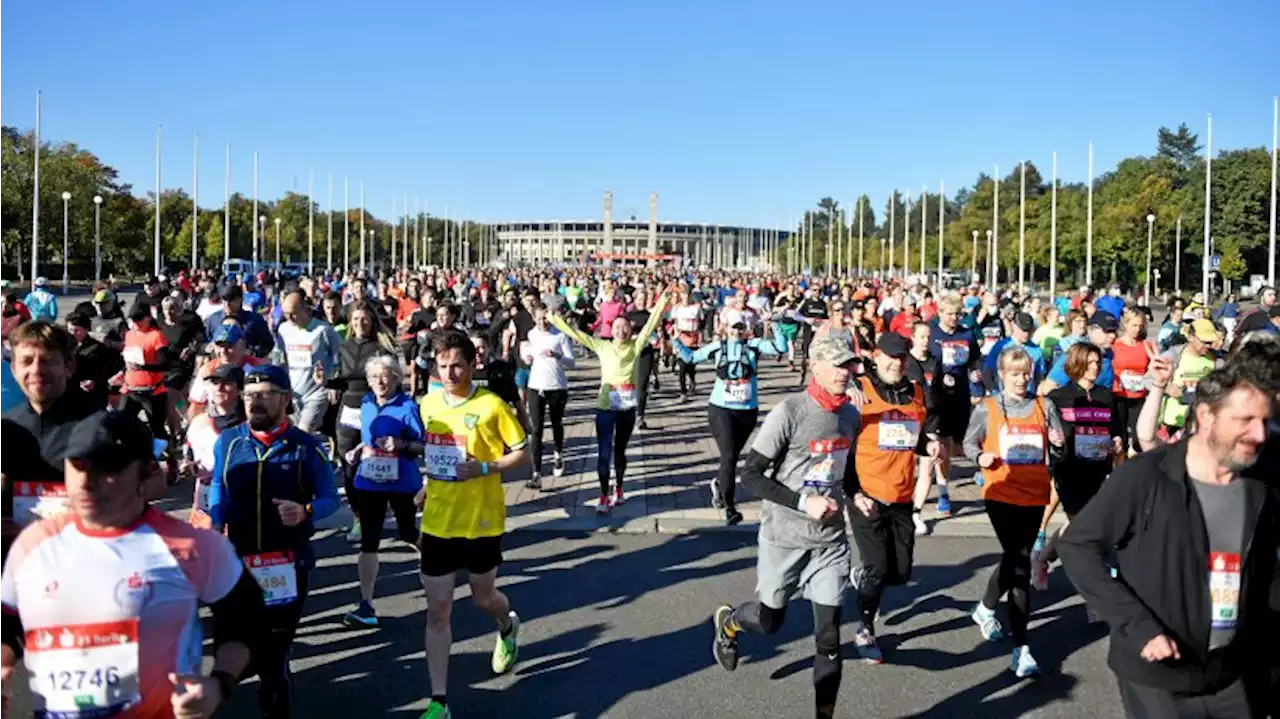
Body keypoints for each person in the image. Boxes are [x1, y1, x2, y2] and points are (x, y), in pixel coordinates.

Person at [0, 411, 268, 719]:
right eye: (78, 465)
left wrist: (219, 683)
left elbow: (249, 625)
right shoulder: (33, 542)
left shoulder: (193, 546)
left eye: (108, 467)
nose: (88, 481)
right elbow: (9, 625)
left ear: (146, 472)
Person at [1060, 360, 1277, 718]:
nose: (1259, 434)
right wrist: (1137, 626)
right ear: (1206, 416)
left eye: (1264, 421)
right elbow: (1078, 545)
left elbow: (1267, 574)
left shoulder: (1261, 483)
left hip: (1233, 673)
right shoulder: (1145, 477)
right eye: (1245, 421)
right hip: (1159, 677)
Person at [710, 336, 862, 719]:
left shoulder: (850, 415)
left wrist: (858, 493)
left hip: (829, 539)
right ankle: (729, 623)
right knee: (769, 620)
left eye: (850, 365)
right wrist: (802, 501)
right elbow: (750, 476)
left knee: (829, 639)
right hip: (785, 537)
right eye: (838, 365)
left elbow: (847, 467)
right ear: (816, 366)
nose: (846, 373)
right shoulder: (790, 410)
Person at [207, 364, 340, 717]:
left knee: (276, 644)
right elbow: (219, 486)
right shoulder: (229, 441)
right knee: (229, 637)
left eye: (264, 395)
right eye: (250, 395)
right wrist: (214, 522)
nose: (255, 402)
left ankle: (275, 683)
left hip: (287, 562)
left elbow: (331, 497)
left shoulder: (306, 447)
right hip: (236, 558)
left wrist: (306, 510)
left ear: (286, 399)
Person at [416, 328, 530, 719]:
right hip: (437, 522)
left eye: (457, 366)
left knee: (484, 598)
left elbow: (520, 453)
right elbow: (437, 455)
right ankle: (439, 701)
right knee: (438, 611)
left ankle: (506, 625)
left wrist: (483, 467)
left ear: (472, 364)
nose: (450, 373)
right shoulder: (428, 403)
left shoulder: (492, 405)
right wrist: (427, 485)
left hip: (481, 520)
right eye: (443, 366)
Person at [963, 345, 1066, 678]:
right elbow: (969, 443)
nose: (1022, 379)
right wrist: (979, 458)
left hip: (1035, 494)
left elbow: (1059, 452)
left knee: (1014, 558)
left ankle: (985, 607)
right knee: (1019, 560)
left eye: (1026, 373)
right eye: (1015, 373)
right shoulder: (988, 407)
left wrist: (1060, 442)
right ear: (1002, 375)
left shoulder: (1043, 405)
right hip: (1001, 492)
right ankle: (1021, 648)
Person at [846, 332, 941, 662]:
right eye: (889, 356)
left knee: (899, 574)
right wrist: (853, 491)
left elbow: (912, 435)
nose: (896, 363)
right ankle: (864, 628)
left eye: (902, 358)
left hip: (901, 495)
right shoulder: (859, 390)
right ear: (875, 356)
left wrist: (927, 445)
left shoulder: (915, 393)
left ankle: (866, 580)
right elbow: (843, 442)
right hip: (866, 494)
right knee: (877, 566)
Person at [548, 287, 670, 514]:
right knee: (604, 452)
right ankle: (603, 496)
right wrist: (554, 318)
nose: (621, 330)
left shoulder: (635, 346)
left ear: (631, 329)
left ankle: (619, 489)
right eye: (616, 327)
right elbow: (579, 335)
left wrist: (663, 300)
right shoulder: (602, 346)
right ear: (611, 330)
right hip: (605, 407)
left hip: (627, 408)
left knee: (620, 451)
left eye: (625, 327)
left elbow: (652, 323)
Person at [673, 316, 787, 525]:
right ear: (724, 328)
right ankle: (729, 507)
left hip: (747, 410)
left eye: (741, 326)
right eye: (733, 326)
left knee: (733, 455)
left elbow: (781, 348)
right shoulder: (717, 347)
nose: (737, 330)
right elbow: (690, 358)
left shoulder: (753, 346)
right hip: (721, 409)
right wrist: (675, 342)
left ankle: (719, 483)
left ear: (747, 329)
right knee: (729, 456)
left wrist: (775, 326)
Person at [341, 355, 425, 629]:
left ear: (396, 378)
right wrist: (357, 451)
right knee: (369, 540)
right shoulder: (365, 404)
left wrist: (400, 443)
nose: (379, 381)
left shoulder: (408, 406)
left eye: (385, 375)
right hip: (370, 480)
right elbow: (366, 440)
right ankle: (366, 604)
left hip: (401, 481)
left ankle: (436, 559)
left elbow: (422, 445)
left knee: (407, 531)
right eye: (374, 376)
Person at [1033, 342, 1122, 589]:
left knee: (1077, 525)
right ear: (1077, 363)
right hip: (1068, 469)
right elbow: (1044, 430)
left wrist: (1117, 442)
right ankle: (1093, 593)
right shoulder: (1058, 397)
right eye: (1090, 362)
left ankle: (1043, 557)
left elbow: (1115, 431)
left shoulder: (1107, 397)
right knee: (1084, 525)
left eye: (1098, 363)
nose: (1095, 367)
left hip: (1098, 469)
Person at [329, 301, 399, 544]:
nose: (360, 323)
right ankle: (358, 516)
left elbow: (393, 380)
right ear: (350, 322)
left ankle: (376, 514)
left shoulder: (381, 349)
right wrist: (326, 382)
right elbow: (345, 381)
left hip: (373, 408)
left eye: (365, 318)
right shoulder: (344, 346)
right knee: (348, 465)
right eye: (356, 319)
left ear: (372, 320)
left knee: (375, 463)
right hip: (348, 409)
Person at [928, 293, 982, 517]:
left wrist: (976, 374)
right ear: (940, 313)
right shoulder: (932, 334)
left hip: (961, 395)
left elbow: (974, 360)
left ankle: (980, 469)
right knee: (942, 446)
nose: (953, 318)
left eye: (956, 314)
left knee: (961, 442)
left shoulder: (966, 334)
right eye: (949, 314)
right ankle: (943, 493)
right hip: (938, 397)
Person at [520, 304, 575, 490]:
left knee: (556, 423)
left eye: (546, 318)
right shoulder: (531, 335)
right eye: (539, 318)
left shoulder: (560, 335)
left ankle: (558, 454)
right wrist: (526, 357)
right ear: (534, 318)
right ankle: (536, 473)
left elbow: (572, 362)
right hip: (536, 386)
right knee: (536, 429)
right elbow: (526, 354)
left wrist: (557, 355)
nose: (543, 322)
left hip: (557, 386)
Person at [184, 363, 246, 530]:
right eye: (214, 382)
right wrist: (188, 465)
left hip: (242, 501)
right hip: (205, 500)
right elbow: (190, 456)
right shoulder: (199, 422)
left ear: (240, 390)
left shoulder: (251, 426)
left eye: (227, 383)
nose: (219, 388)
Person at [276, 290, 342, 434]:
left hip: (316, 393)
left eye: (293, 313)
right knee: (292, 433)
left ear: (304, 308)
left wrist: (333, 384)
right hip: (293, 393)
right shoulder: (283, 329)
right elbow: (280, 358)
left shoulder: (323, 330)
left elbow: (340, 356)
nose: (290, 318)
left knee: (304, 431)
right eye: (286, 314)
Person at [904, 321, 943, 535]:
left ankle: (916, 512)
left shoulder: (934, 362)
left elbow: (938, 390)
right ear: (913, 337)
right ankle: (901, 506)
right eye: (922, 336)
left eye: (928, 337)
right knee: (907, 465)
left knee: (927, 467)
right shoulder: (904, 361)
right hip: (909, 417)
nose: (926, 341)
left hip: (931, 418)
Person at [1110, 308, 1153, 455]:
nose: (1137, 329)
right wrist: (1121, 374)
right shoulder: (1115, 346)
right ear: (1126, 324)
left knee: (1139, 439)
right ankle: (1120, 471)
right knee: (1119, 438)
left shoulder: (1147, 346)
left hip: (1139, 396)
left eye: (1140, 326)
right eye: (1134, 325)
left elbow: (1152, 369)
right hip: (1119, 395)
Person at [66, 310, 123, 407]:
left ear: (86, 329)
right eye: (70, 330)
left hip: (93, 396)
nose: (73, 333)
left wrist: (95, 382)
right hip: (70, 394)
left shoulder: (97, 348)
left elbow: (108, 371)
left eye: (77, 330)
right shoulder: (64, 346)